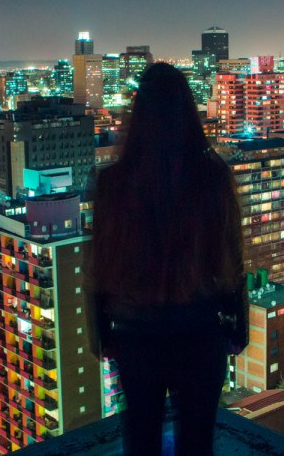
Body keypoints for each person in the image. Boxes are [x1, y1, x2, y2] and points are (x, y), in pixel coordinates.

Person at [88, 62, 247, 456]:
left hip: (135, 334)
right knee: (197, 445)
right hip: (200, 332)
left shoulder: (113, 183)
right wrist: (237, 328)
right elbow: (231, 261)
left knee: (141, 443)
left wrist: (100, 333)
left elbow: (101, 268)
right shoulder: (212, 177)